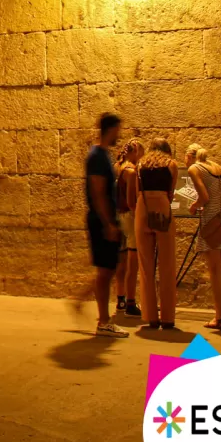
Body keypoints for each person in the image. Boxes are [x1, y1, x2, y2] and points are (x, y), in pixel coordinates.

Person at [73, 113, 128, 337]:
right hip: (101, 219)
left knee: (109, 268)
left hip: (106, 218)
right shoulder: (97, 156)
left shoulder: (103, 154)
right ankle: (103, 321)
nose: (119, 135)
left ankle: (81, 301)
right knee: (106, 270)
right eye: (118, 130)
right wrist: (108, 223)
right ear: (111, 129)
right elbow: (97, 192)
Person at [186, 144, 221, 331]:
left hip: (212, 220)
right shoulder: (216, 166)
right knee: (220, 269)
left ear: (189, 156)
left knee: (213, 269)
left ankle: (220, 317)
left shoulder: (194, 168)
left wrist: (194, 206)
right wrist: (220, 204)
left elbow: (204, 196)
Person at [137, 137, 181, 330]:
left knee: (145, 266)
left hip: (143, 208)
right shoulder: (171, 165)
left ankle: (150, 316)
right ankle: (168, 318)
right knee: (167, 264)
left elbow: (138, 190)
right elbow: (171, 192)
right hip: (162, 207)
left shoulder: (140, 165)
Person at [114, 138, 144, 317]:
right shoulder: (131, 172)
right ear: (135, 152)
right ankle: (131, 302)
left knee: (121, 261)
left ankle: (121, 299)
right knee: (133, 261)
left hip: (118, 217)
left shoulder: (117, 167)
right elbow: (132, 201)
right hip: (129, 218)